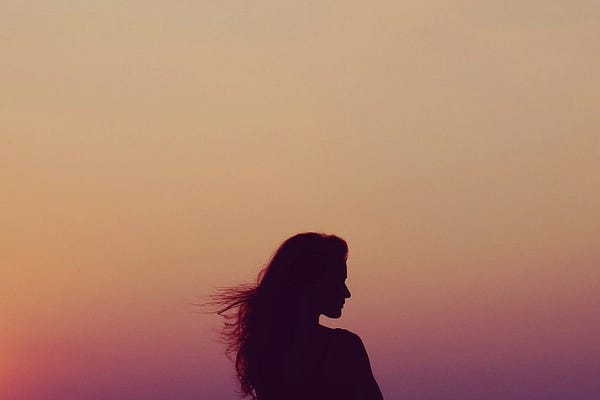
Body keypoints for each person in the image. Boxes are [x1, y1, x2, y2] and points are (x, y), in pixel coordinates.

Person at [210, 232, 383, 399]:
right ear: (310, 284)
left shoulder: (264, 351)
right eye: (338, 281)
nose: (346, 293)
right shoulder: (344, 347)